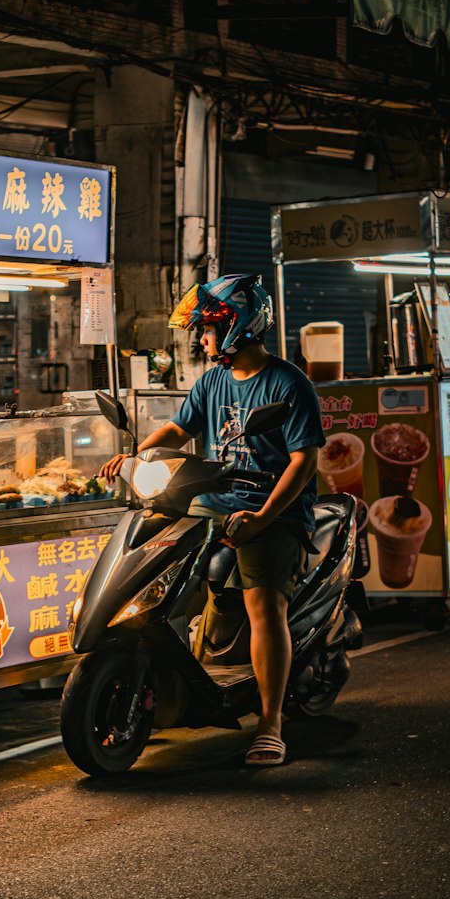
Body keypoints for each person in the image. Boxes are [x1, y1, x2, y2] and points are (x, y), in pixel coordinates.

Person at [102, 274, 325, 768]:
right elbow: (180, 429)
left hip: (273, 508)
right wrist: (133, 456)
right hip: (216, 500)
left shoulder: (289, 384)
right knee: (165, 579)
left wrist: (265, 517)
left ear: (238, 326)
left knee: (264, 604)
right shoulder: (212, 382)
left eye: (206, 328)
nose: (200, 339)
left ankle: (270, 724)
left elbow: (303, 461)